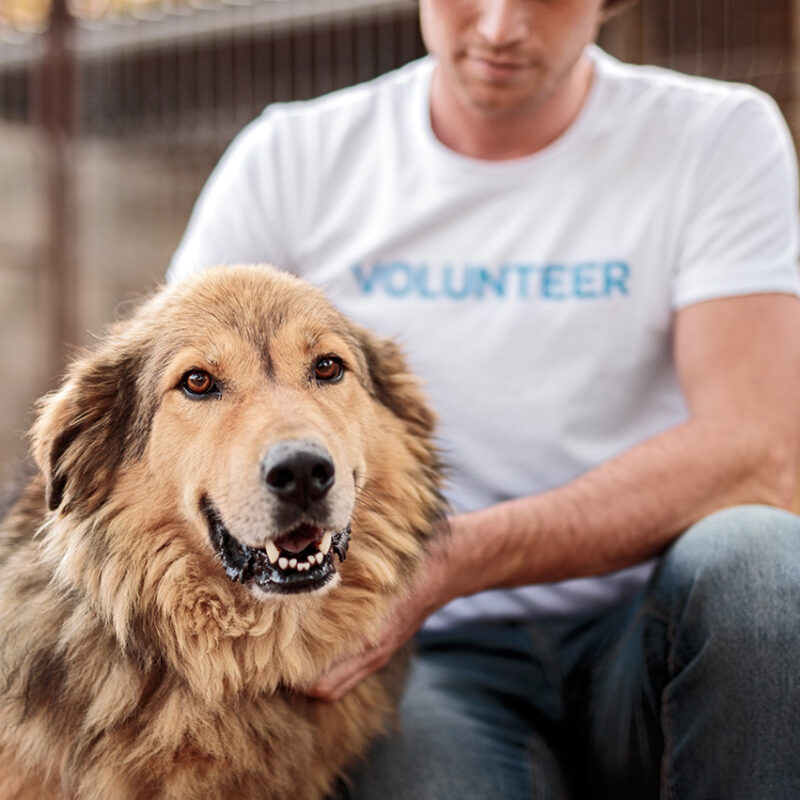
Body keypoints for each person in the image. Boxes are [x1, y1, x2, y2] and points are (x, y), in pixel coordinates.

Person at [168, 0, 800, 796]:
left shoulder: (717, 138)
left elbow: (757, 454)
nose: (500, 26)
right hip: (422, 652)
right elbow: (179, 396)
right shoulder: (292, 156)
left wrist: (449, 559)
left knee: (765, 565)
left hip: (649, 616)